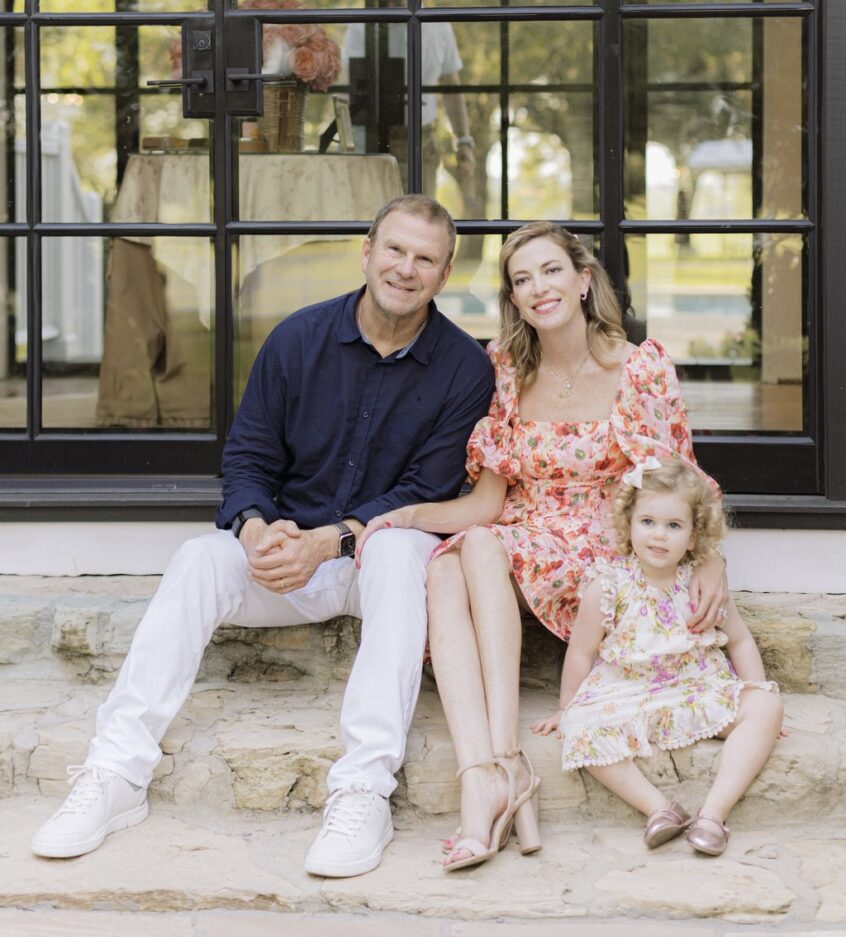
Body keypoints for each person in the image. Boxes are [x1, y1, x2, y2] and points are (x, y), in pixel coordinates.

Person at [31, 195, 495, 878]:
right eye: (395, 249)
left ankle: (363, 790)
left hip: (371, 561)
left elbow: (425, 490)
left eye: (425, 258)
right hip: (284, 558)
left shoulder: (464, 368)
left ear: (445, 274)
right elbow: (248, 456)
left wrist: (330, 541)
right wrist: (253, 529)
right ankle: (115, 774)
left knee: (401, 550)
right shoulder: (297, 339)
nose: (405, 268)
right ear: (366, 252)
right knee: (198, 558)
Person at [354, 221, 728, 870]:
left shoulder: (639, 367)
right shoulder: (506, 367)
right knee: (450, 562)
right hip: (524, 538)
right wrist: (405, 514)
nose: (538, 288)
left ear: (583, 281)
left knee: (475, 550)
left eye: (551, 271)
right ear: (514, 299)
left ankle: (501, 769)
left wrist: (711, 558)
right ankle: (491, 770)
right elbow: (488, 504)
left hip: (604, 550)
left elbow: (681, 482)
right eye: (521, 280)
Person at [531, 455, 783, 857]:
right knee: (579, 727)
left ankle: (713, 815)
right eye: (648, 522)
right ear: (628, 524)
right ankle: (660, 809)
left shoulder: (701, 584)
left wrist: (755, 689)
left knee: (766, 706)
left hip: (695, 686)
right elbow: (580, 652)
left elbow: (739, 640)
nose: (659, 536)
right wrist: (566, 708)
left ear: (694, 535)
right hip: (627, 692)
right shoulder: (608, 585)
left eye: (674, 526)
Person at [342, 17, 476, 199]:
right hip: (370, 140)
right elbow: (347, 86)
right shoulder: (362, 26)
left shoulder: (439, 27)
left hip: (420, 143)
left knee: (418, 211)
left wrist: (464, 141)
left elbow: (451, 88)